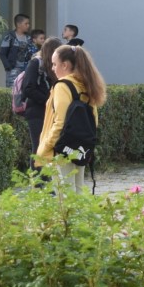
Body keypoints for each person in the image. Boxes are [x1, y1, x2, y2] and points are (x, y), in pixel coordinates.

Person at [35, 44, 106, 188]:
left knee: (64, 194)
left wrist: (45, 147)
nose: (52, 68)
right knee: (78, 193)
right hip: (79, 148)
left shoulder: (62, 86)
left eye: (55, 64)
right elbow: (94, 119)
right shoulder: (85, 84)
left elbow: (59, 123)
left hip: (61, 149)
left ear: (65, 65)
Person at [20, 38, 57, 146]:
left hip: (49, 111)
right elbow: (28, 88)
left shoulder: (52, 66)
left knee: (49, 146)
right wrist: (47, 100)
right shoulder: (36, 62)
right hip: (36, 111)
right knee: (39, 146)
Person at [0, 13, 35, 83]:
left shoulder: (29, 38)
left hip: (26, 69)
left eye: (28, 24)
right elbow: (2, 54)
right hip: (13, 70)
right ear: (18, 24)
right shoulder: (10, 37)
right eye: (26, 24)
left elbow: (33, 52)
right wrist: (8, 67)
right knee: (13, 88)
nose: (28, 26)